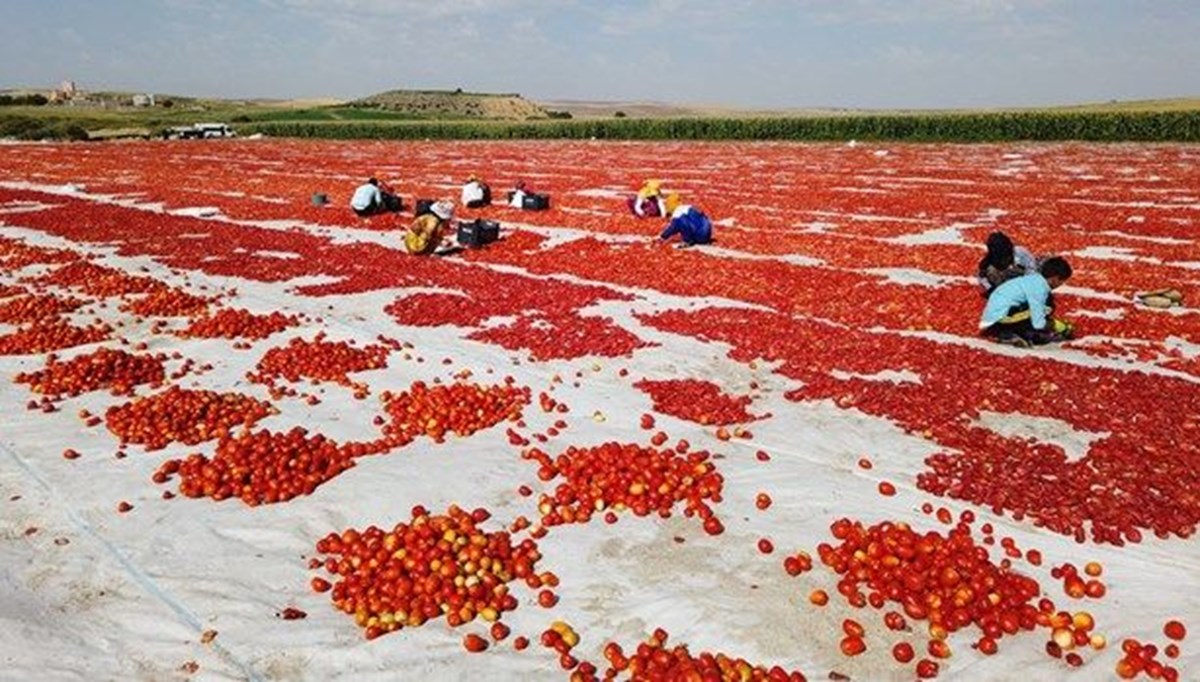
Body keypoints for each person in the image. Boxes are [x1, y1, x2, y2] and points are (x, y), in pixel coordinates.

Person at [979, 256, 1074, 347]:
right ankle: (1005, 332)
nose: (1061, 285)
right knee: (1046, 311)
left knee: (1046, 310)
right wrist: (1058, 326)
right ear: (1055, 278)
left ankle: (1015, 331)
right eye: (1061, 281)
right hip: (1001, 317)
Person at [977, 231, 1037, 297]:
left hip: (1023, 283)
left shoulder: (1020, 253)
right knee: (991, 270)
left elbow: (1032, 269)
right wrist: (991, 288)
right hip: (1004, 287)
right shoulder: (989, 261)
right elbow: (981, 277)